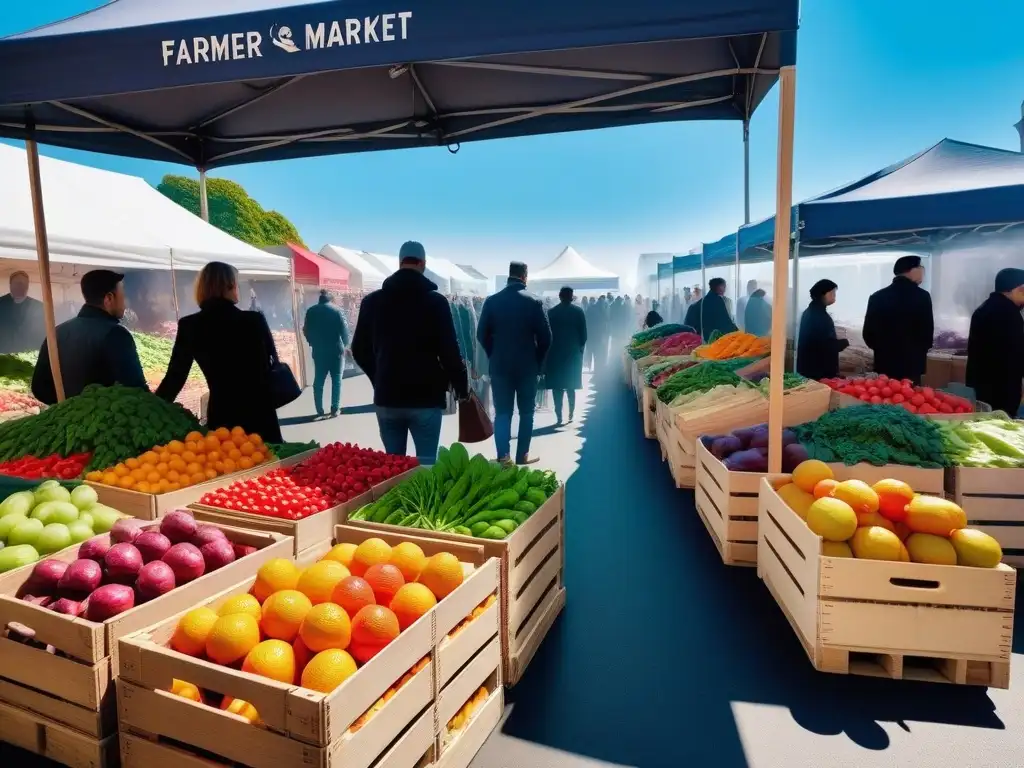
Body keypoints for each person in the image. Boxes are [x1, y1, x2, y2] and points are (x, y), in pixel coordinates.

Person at [351, 241, 469, 465]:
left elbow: (358, 349)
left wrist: (378, 377)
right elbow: (450, 353)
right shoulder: (436, 302)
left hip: (387, 397)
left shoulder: (372, 302)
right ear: (423, 264)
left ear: (399, 263)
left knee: (394, 470)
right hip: (426, 399)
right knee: (425, 468)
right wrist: (461, 389)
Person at [157, 262, 283, 442]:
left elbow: (175, 378)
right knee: (271, 465)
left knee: (230, 466)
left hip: (223, 416)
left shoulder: (190, 325)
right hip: (261, 416)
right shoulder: (254, 320)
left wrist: (153, 407)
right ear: (230, 285)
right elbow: (272, 364)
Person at [32, 270, 148, 404]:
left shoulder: (57, 333)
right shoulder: (116, 334)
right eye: (123, 296)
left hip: (68, 421)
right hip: (107, 421)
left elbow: (39, 388)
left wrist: (69, 408)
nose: (125, 304)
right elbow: (136, 390)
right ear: (109, 298)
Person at [477, 262, 552, 464]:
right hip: (527, 367)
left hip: (500, 367)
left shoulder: (492, 301)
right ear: (525, 276)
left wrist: (494, 353)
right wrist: (537, 360)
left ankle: (503, 457)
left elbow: (480, 334)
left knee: (502, 412)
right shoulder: (535, 302)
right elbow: (546, 338)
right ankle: (522, 455)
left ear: (509, 276)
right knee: (527, 412)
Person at [862, 255, 934, 384]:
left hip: (884, 365)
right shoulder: (922, 297)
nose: (923, 272)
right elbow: (927, 335)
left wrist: (882, 350)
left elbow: (868, 334)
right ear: (912, 270)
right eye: (921, 267)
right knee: (911, 400)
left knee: (885, 400)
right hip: (912, 366)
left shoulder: (877, 297)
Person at [966, 268, 1024, 416]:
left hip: (981, 386)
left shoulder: (983, 308)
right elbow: (1015, 353)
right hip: (1003, 388)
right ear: (1019, 289)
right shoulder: (1010, 314)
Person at [302, 289, 351, 419]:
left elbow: (305, 330)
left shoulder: (311, 311)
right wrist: (346, 344)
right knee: (337, 380)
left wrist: (312, 342)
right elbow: (345, 332)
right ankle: (335, 408)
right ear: (331, 299)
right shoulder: (337, 311)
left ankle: (319, 409)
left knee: (319, 380)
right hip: (336, 350)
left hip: (319, 351)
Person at [544, 286, 587, 425]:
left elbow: (546, 335)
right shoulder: (578, 312)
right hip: (573, 354)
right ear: (571, 296)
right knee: (571, 386)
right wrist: (580, 349)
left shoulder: (551, 313)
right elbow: (584, 335)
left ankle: (559, 416)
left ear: (560, 296)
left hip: (555, 354)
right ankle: (571, 413)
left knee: (557, 387)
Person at [796, 279, 849, 380]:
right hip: (818, 371)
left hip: (810, 369)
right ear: (823, 294)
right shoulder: (818, 315)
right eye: (832, 292)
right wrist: (842, 343)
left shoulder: (811, 312)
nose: (834, 295)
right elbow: (821, 345)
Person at [0, 271, 46, 353]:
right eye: (18, 283)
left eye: (24, 283)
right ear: (10, 284)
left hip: (28, 354)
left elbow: (42, 334)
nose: (21, 286)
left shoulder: (39, 307)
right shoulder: (1, 303)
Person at [589, 295, 610, 371]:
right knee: (599, 351)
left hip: (592, 334)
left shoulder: (591, 308)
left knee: (594, 351)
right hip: (600, 334)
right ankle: (598, 368)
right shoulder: (602, 309)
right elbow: (607, 319)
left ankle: (594, 367)